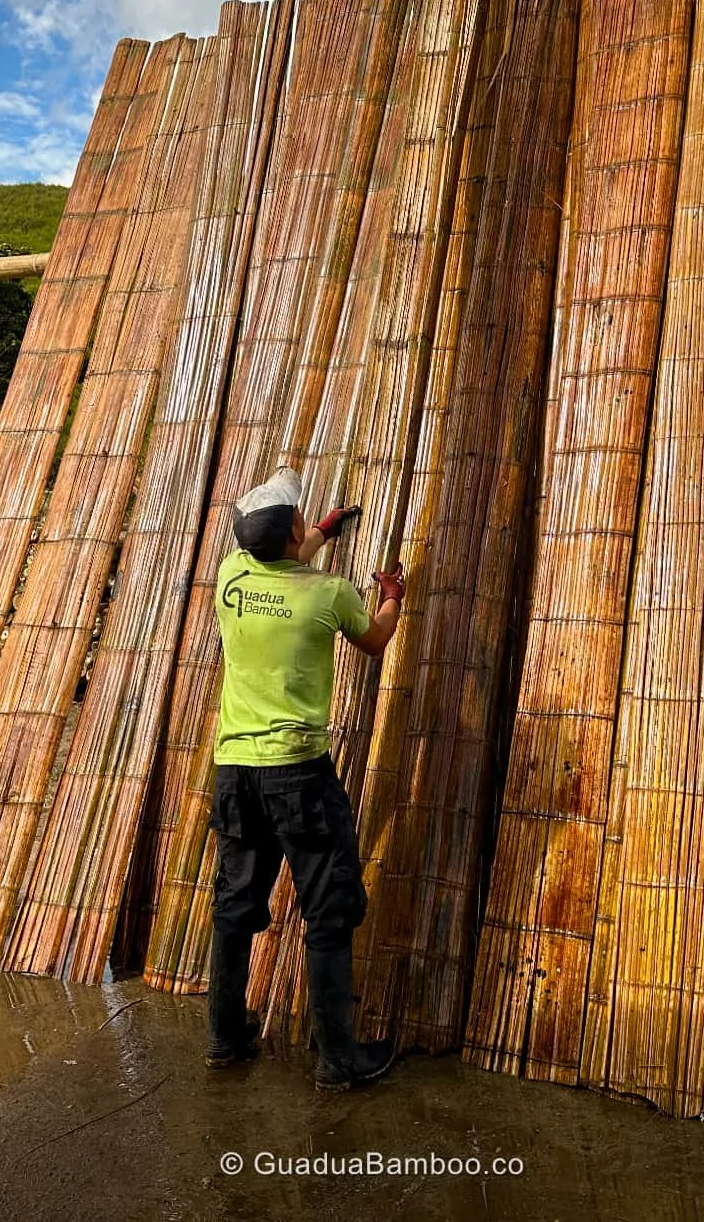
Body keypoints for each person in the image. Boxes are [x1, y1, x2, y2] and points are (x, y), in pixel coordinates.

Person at [205, 464, 404, 1091]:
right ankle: (338, 1061)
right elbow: (373, 640)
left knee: (235, 905)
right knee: (328, 909)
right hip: (298, 775)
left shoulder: (231, 577)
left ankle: (225, 1039)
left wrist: (320, 528)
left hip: (235, 771)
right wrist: (395, 593)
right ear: (292, 534)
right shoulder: (331, 594)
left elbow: (281, 555)